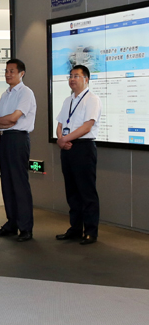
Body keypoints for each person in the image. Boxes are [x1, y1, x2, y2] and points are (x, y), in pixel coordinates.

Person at [0, 59, 36, 242]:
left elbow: (13, 119)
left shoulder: (26, 93)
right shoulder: (5, 94)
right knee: (7, 183)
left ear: (21, 73)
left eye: (12, 71)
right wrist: (3, 121)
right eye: (6, 71)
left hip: (18, 139)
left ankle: (25, 228)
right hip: (5, 138)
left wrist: (3, 121)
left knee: (19, 183)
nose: (8, 74)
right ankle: (12, 224)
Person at [54, 64, 102, 245]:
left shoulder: (92, 99)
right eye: (71, 76)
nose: (72, 79)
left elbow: (87, 126)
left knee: (86, 192)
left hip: (83, 148)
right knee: (72, 191)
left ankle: (90, 231)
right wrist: (61, 138)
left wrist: (64, 139)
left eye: (76, 76)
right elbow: (60, 123)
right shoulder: (68, 100)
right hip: (67, 148)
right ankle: (75, 228)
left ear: (86, 79)